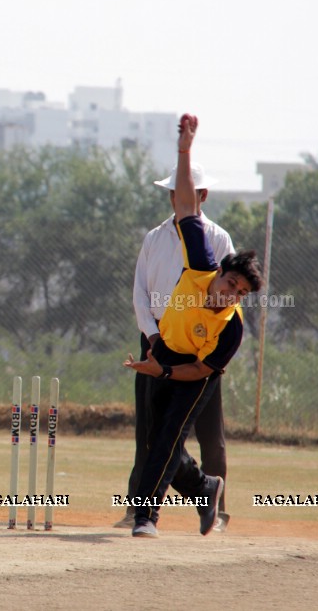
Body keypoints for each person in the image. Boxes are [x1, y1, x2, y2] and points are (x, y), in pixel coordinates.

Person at [123, 114, 262, 538]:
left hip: (195, 365)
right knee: (156, 440)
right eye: (229, 283)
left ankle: (146, 517)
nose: (228, 292)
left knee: (170, 437)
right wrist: (184, 150)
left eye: (238, 291)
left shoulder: (231, 328)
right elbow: (186, 206)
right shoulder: (201, 262)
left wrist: (164, 371)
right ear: (217, 272)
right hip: (161, 344)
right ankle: (205, 489)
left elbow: (202, 370)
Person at [116, 162, 235, 532]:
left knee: (209, 435)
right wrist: (152, 338)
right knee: (152, 433)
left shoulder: (216, 238)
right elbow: (141, 293)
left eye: (183, 191)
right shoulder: (154, 237)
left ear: (203, 195)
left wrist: (212, 350)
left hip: (200, 348)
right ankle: (140, 509)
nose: (176, 198)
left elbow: (228, 299)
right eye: (172, 192)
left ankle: (217, 511)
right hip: (155, 342)